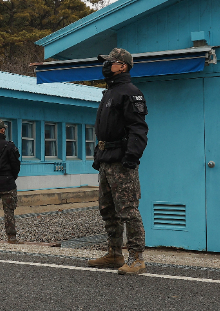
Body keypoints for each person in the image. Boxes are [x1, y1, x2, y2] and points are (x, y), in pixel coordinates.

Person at [88, 48, 149, 275]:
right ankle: (115, 253)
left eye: (110, 62)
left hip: (122, 162)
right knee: (107, 209)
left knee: (128, 210)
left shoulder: (131, 93)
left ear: (122, 66)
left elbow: (138, 129)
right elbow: (104, 131)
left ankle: (137, 258)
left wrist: (131, 158)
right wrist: (99, 158)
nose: (106, 66)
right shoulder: (109, 93)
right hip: (106, 161)